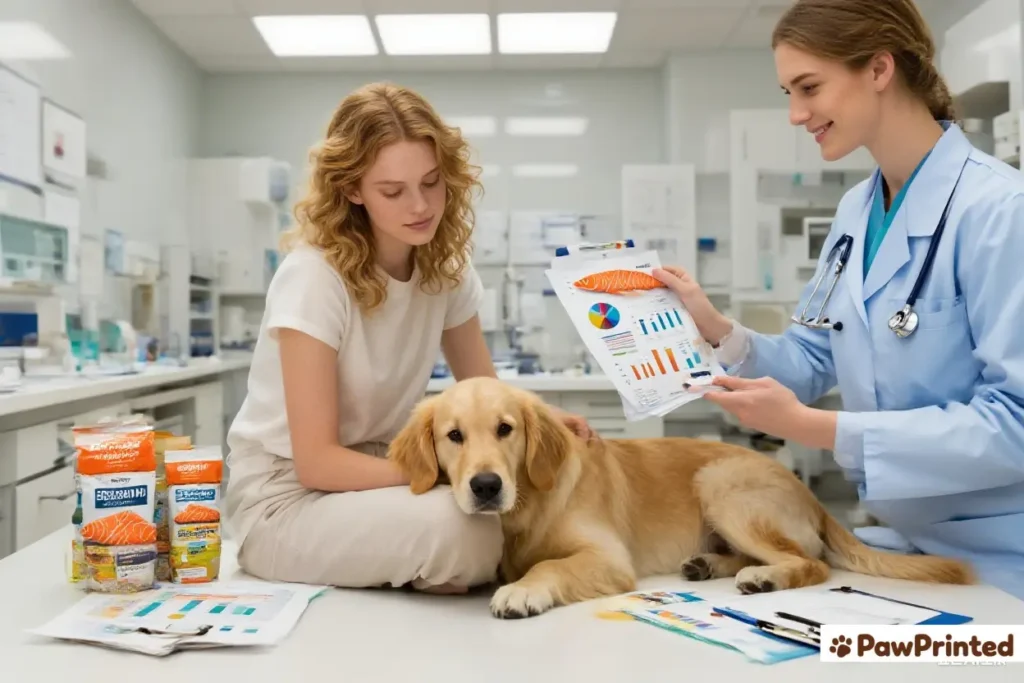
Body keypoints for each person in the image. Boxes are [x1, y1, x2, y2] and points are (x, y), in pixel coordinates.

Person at [654, 0, 1024, 600]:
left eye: (809, 88)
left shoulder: (1000, 211)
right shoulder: (857, 211)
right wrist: (715, 326)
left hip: (1002, 560)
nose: (796, 114)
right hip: (899, 544)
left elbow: (1015, 424)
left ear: (879, 69)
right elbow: (810, 357)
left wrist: (818, 428)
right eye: (789, 93)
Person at [223, 82, 591, 594]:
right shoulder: (313, 278)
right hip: (287, 499)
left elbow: (486, 393)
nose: (420, 206)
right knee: (468, 529)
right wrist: (441, 471)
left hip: (382, 477)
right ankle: (423, 567)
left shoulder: (445, 270)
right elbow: (317, 462)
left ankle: (417, 568)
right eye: (393, 191)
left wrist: (542, 421)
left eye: (432, 182)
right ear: (352, 190)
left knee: (510, 510)